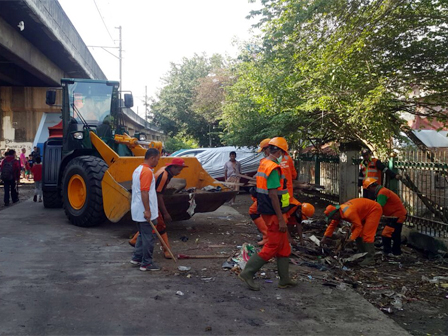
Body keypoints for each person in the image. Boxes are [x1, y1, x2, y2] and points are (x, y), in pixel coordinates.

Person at [239, 138, 297, 290]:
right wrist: (281, 219)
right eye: (283, 153)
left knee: (284, 247)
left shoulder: (264, 163)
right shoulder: (273, 168)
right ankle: (248, 272)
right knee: (272, 246)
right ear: (278, 151)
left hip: (271, 211)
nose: (283, 156)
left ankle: (284, 279)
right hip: (274, 214)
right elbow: (273, 194)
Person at [129, 158, 188, 258]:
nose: (180, 171)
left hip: (151, 202)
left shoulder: (165, 171)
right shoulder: (164, 176)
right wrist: (165, 212)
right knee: (160, 226)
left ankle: (134, 241)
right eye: (179, 169)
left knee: (151, 226)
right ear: (173, 167)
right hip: (152, 202)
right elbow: (158, 195)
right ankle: (166, 251)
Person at [322, 198, 383, 266]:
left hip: (373, 209)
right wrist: (324, 238)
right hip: (364, 211)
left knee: (367, 234)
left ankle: (370, 259)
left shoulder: (348, 213)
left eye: (332, 218)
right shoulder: (338, 212)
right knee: (357, 233)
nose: (333, 219)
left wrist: (351, 238)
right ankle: (363, 253)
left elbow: (359, 226)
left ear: (335, 214)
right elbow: (332, 225)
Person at [130, 148, 161, 271]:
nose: (158, 162)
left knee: (142, 235)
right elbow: (144, 191)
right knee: (148, 237)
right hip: (144, 211)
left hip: (137, 209)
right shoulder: (147, 172)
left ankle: (137, 258)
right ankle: (146, 263)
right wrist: (148, 210)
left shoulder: (137, 170)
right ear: (152, 158)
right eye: (157, 159)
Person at [363, 178, 407, 256]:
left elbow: (379, 207)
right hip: (397, 215)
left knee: (387, 234)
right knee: (395, 234)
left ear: (371, 187)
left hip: (396, 216)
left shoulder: (382, 193)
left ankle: (389, 251)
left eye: (369, 189)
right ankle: (395, 252)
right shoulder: (382, 191)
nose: (369, 191)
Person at [248, 138, 271, 245]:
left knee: (256, 212)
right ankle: (268, 237)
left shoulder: (271, 162)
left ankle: (268, 238)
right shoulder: (271, 161)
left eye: (264, 150)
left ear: (268, 149)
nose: (263, 153)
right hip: (265, 195)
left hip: (269, 195)